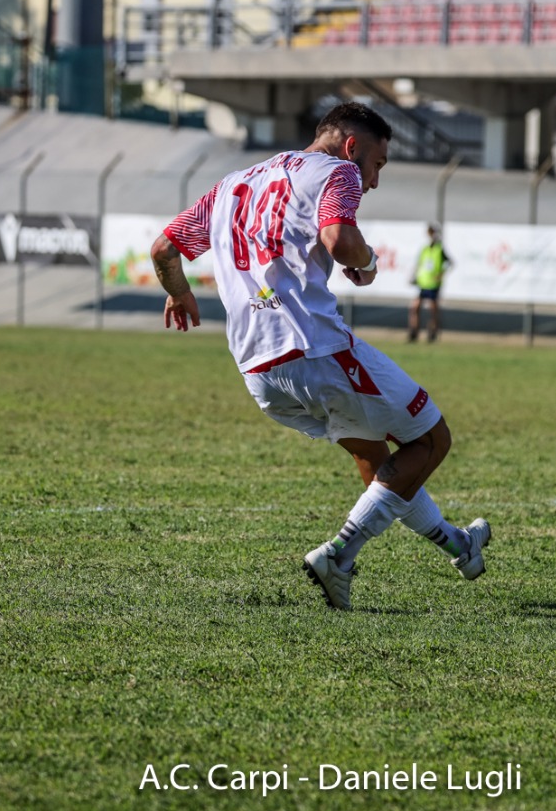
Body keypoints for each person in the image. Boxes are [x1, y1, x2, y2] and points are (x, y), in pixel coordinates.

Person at [149, 102, 490, 611]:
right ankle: (339, 554)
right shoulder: (338, 171)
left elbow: (163, 249)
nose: (372, 180)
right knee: (431, 439)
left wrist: (178, 293)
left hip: (257, 370)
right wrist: (368, 262)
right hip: (314, 349)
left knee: (377, 460)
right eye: (377, 163)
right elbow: (339, 238)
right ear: (353, 146)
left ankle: (459, 546)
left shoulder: (231, 185)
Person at [407, 223, 451, 343]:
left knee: (433, 309)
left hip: (433, 284)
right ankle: (413, 333)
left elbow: (449, 263)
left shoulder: (440, 248)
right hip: (423, 283)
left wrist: (440, 275)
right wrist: (413, 276)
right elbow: (419, 264)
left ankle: (432, 333)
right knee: (415, 307)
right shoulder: (425, 249)